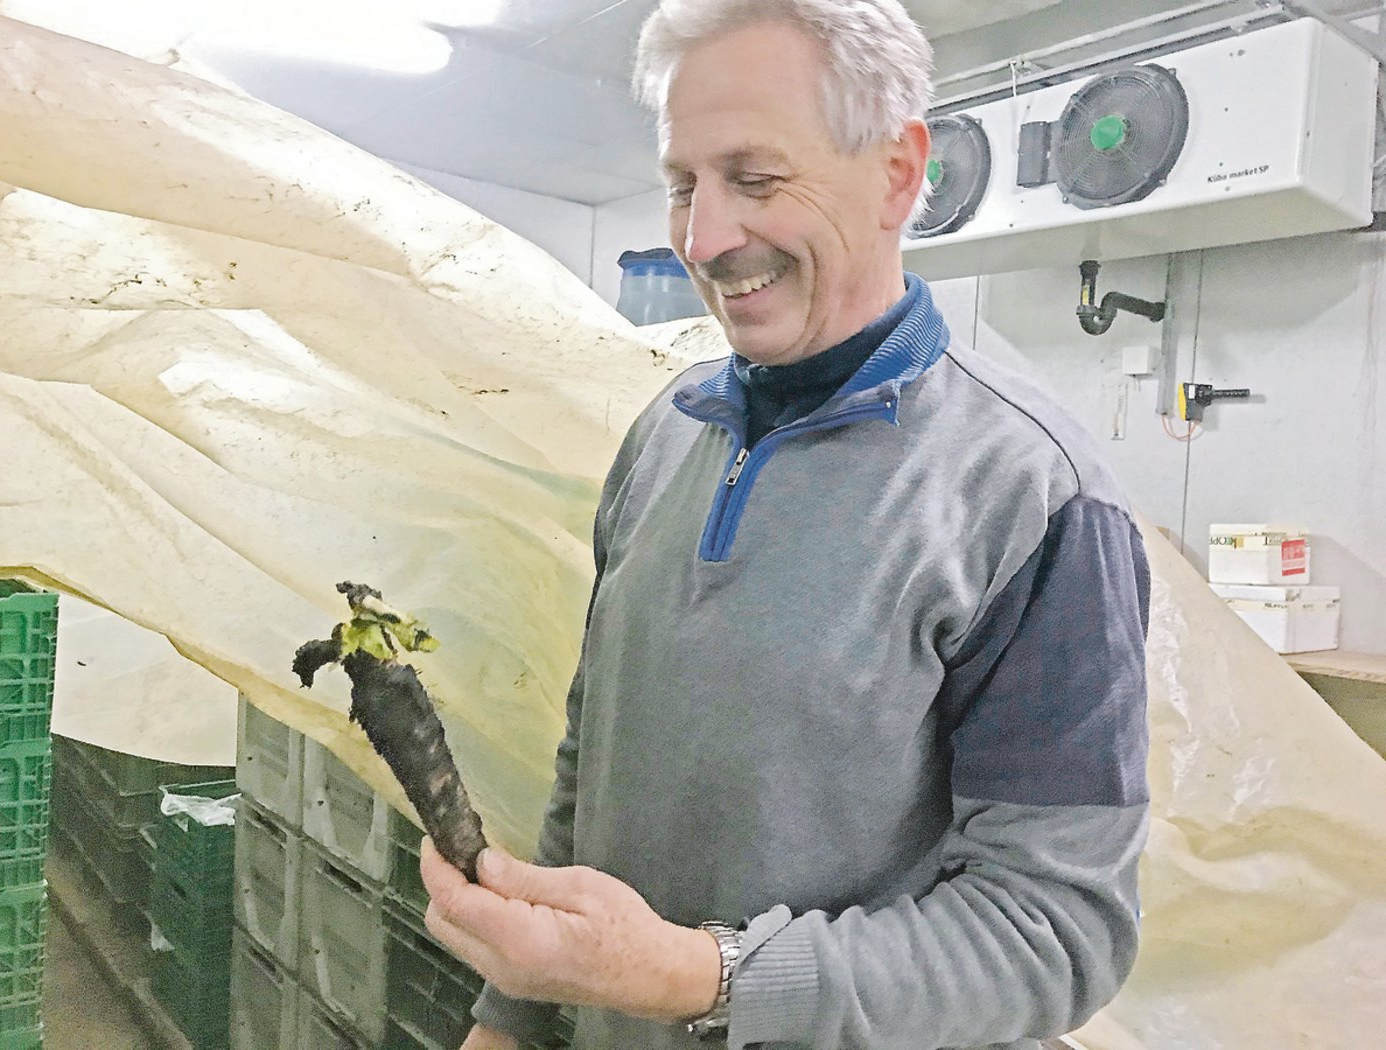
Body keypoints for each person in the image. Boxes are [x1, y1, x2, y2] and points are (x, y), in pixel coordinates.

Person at [419, 1, 1152, 1047]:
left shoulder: (1029, 496)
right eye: (682, 184)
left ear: (899, 172)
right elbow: (594, 775)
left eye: (754, 180)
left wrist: (698, 974)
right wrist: (512, 1019)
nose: (703, 239)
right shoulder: (664, 438)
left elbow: (1049, 936)